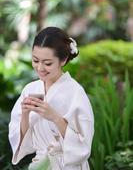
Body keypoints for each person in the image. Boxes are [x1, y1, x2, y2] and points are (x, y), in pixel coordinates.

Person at [8, 27, 94, 170]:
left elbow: (83, 145)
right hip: (40, 164)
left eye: (47, 63)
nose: (40, 68)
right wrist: (25, 114)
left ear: (63, 60)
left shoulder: (75, 93)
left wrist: (54, 117)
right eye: (35, 60)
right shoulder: (30, 89)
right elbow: (23, 144)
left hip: (68, 166)